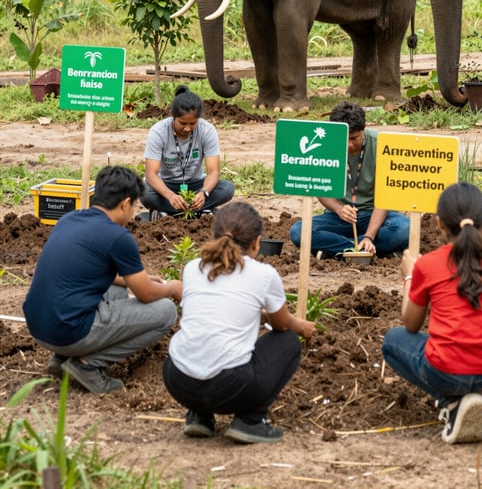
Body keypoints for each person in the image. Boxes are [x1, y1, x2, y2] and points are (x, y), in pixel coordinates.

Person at [163, 202, 315, 443]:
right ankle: (250, 420)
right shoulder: (264, 274)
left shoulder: (193, 268)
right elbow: (281, 325)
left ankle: (199, 416)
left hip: (178, 381)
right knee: (288, 342)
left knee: (198, 338)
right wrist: (302, 326)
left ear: (213, 235)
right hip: (229, 387)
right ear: (257, 243)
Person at [23, 166, 182, 394]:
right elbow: (146, 294)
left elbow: (89, 272)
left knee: (115, 291)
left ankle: (60, 359)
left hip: (39, 327)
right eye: (136, 206)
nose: (134, 212)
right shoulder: (118, 236)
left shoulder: (70, 219)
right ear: (126, 203)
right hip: (68, 333)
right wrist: (171, 287)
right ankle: (87, 365)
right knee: (166, 311)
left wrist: (134, 280)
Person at [381, 182, 482, 444]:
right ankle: (470, 397)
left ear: (439, 223)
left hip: (446, 370)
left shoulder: (428, 264)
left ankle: (452, 402)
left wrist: (409, 275)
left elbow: (410, 324)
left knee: (393, 340)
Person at [289, 102, 409, 259]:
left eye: (354, 138)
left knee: (404, 229)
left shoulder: (382, 145)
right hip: (340, 217)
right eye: (343, 138)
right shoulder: (322, 144)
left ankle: (338, 249)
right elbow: (320, 188)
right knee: (298, 231)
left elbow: (385, 199)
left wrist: (369, 236)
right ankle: (363, 250)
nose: (349, 144)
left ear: (364, 128)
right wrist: (339, 209)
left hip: (374, 215)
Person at [142, 85, 235, 218]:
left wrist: (204, 193)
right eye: (182, 123)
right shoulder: (158, 132)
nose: (187, 128)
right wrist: (170, 196)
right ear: (173, 116)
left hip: (195, 185)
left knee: (227, 189)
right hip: (166, 185)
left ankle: (166, 213)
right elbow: (151, 175)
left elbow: (213, 172)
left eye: (192, 124)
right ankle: (200, 212)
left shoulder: (207, 130)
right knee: (143, 191)